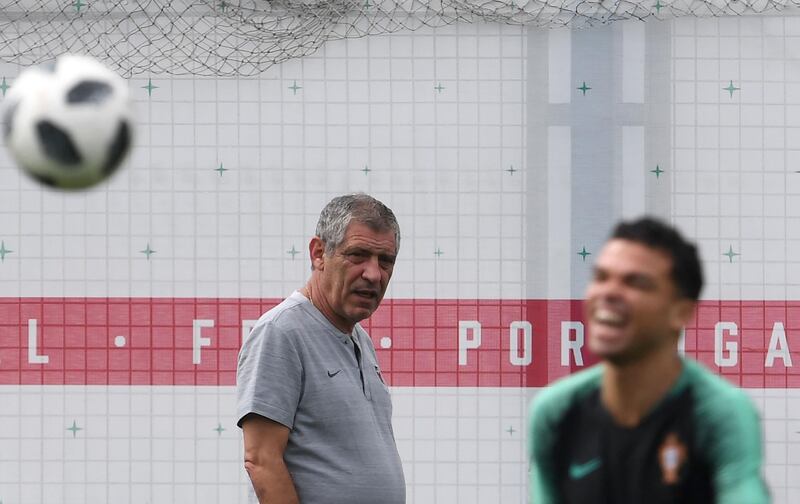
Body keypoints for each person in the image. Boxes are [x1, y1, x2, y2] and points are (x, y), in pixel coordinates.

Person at [528, 217, 769, 504]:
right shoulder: (556, 412)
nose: (608, 293)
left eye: (636, 283)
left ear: (681, 312)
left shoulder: (720, 413)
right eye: (601, 277)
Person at [236, 193, 405, 504]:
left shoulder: (359, 339)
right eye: (358, 255)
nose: (374, 274)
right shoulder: (281, 331)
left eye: (386, 261)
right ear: (318, 253)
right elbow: (261, 460)